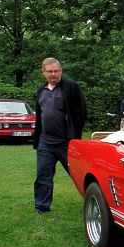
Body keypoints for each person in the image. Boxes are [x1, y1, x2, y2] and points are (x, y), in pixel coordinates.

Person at [33, 57, 86, 214]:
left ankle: (94, 201)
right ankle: (42, 207)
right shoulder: (40, 91)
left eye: (56, 71)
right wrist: (37, 139)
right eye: (50, 71)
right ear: (43, 72)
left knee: (78, 174)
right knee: (43, 176)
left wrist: (75, 136)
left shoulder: (71, 87)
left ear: (61, 71)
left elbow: (81, 112)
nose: (53, 74)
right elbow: (39, 117)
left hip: (66, 143)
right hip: (45, 143)